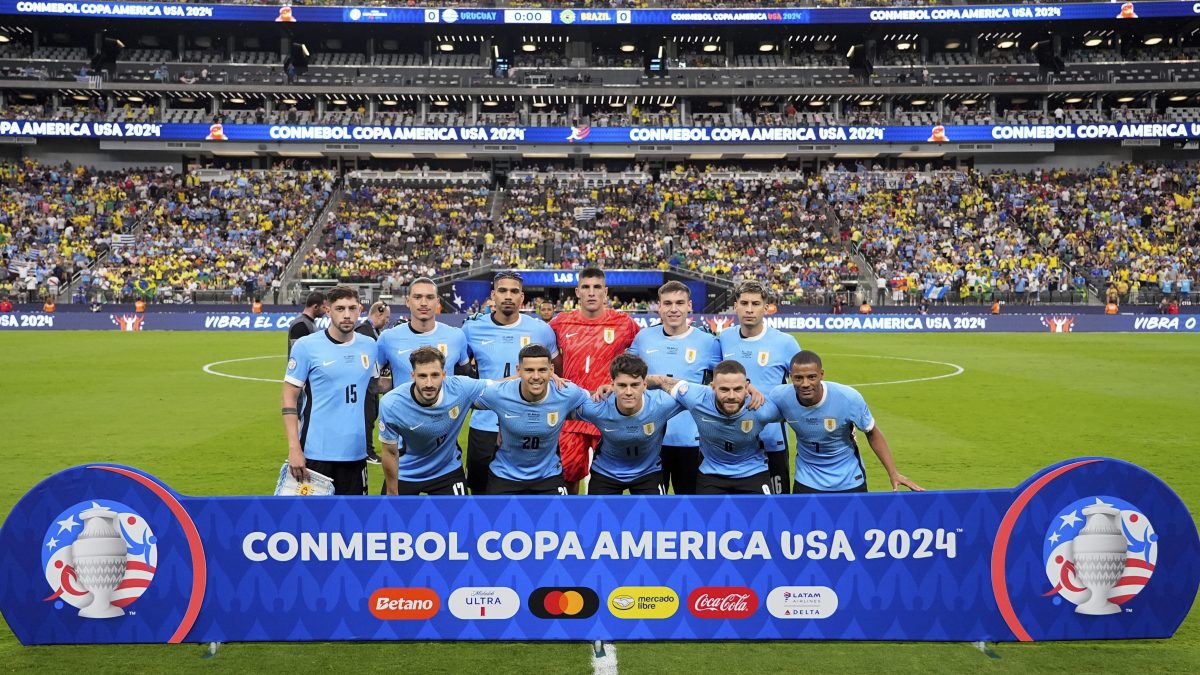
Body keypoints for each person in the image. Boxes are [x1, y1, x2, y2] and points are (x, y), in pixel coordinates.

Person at [771, 351, 922, 493]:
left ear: (821, 375)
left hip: (849, 479)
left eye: (811, 377)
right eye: (798, 378)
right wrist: (749, 389)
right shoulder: (780, 397)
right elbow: (757, 417)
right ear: (791, 377)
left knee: (855, 522)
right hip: (807, 479)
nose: (805, 384)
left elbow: (872, 432)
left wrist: (893, 473)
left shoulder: (848, 398)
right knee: (806, 522)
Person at [462, 271, 558, 495]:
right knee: (480, 495)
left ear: (522, 298)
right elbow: (461, 374)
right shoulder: (471, 328)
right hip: (484, 424)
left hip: (529, 425)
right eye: (502, 290)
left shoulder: (541, 330)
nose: (508, 296)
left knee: (531, 493)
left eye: (514, 291)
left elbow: (554, 374)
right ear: (493, 296)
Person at [281, 285, 379, 495]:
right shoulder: (306, 346)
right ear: (328, 311)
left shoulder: (370, 346)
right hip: (315, 453)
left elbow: (377, 385)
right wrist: (294, 447)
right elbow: (289, 396)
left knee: (355, 523)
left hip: (356, 453)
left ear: (360, 309)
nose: (347, 315)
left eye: (352, 308)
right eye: (340, 308)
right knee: (311, 524)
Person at [550, 267, 640, 494]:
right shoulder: (562, 323)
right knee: (568, 474)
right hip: (573, 412)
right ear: (577, 292)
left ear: (605, 292)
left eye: (597, 287)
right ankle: (570, 521)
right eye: (586, 287)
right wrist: (552, 374)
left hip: (608, 412)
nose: (591, 292)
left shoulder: (624, 323)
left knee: (613, 476)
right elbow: (542, 355)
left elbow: (645, 353)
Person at [628, 281, 722, 494]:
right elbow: (627, 375)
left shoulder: (708, 342)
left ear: (690, 306)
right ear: (658, 307)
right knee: (653, 508)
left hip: (692, 440)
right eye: (667, 303)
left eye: (680, 303)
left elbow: (724, 385)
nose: (673, 309)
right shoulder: (643, 338)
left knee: (690, 507)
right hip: (650, 441)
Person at [647, 361, 782, 495]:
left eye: (737, 389)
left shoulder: (761, 408)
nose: (731, 396)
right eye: (724, 389)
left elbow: (794, 411)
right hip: (712, 474)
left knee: (763, 516)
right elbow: (661, 381)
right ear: (712, 387)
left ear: (747, 387)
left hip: (753, 472)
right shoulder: (697, 397)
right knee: (704, 516)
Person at [718, 281, 801, 495]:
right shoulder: (725, 338)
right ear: (735, 306)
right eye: (744, 303)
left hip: (771, 438)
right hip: (731, 437)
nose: (749, 309)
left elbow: (803, 386)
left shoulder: (785, 343)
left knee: (777, 506)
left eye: (755, 303)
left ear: (766, 308)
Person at [475, 344, 590, 495]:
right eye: (529, 370)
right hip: (505, 476)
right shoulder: (500, 393)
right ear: (518, 371)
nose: (536, 376)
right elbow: (461, 396)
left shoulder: (566, 392)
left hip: (549, 476)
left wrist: (608, 390)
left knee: (558, 518)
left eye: (542, 370)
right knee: (497, 519)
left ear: (551, 370)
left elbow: (597, 401)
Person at [377, 347, 488, 496]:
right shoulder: (392, 403)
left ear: (444, 375)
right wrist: (392, 492)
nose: (429, 383)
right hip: (405, 472)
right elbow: (390, 452)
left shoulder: (461, 388)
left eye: (435, 375)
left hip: (446, 470)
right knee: (392, 518)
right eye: (422, 376)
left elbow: (502, 390)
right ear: (413, 376)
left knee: (458, 518)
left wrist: (526, 379)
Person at [576, 354, 683, 495]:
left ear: (645, 385)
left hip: (648, 472)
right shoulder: (599, 407)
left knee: (655, 517)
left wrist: (659, 380)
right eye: (622, 385)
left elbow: (696, 394)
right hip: (606, 473)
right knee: (599, 517)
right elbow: (559, 407)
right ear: (612, 385)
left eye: (635, 385)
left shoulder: (661, 404)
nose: (628, 392)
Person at [355, 301, 392, 466]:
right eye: (386, 317)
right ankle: (367, 452)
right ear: (378, 314)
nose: (387, 321)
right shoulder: (364, 331)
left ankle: (366, 450)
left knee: (372, 415)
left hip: (372, 383)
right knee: (367, 417)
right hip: (365, 383)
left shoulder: (372, 331)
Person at [288, 291, 327, 356]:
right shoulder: (301, 325)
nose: (325, 311)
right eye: (324, 307)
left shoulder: (308, 322)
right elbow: (297, 354)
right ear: (316, 307)